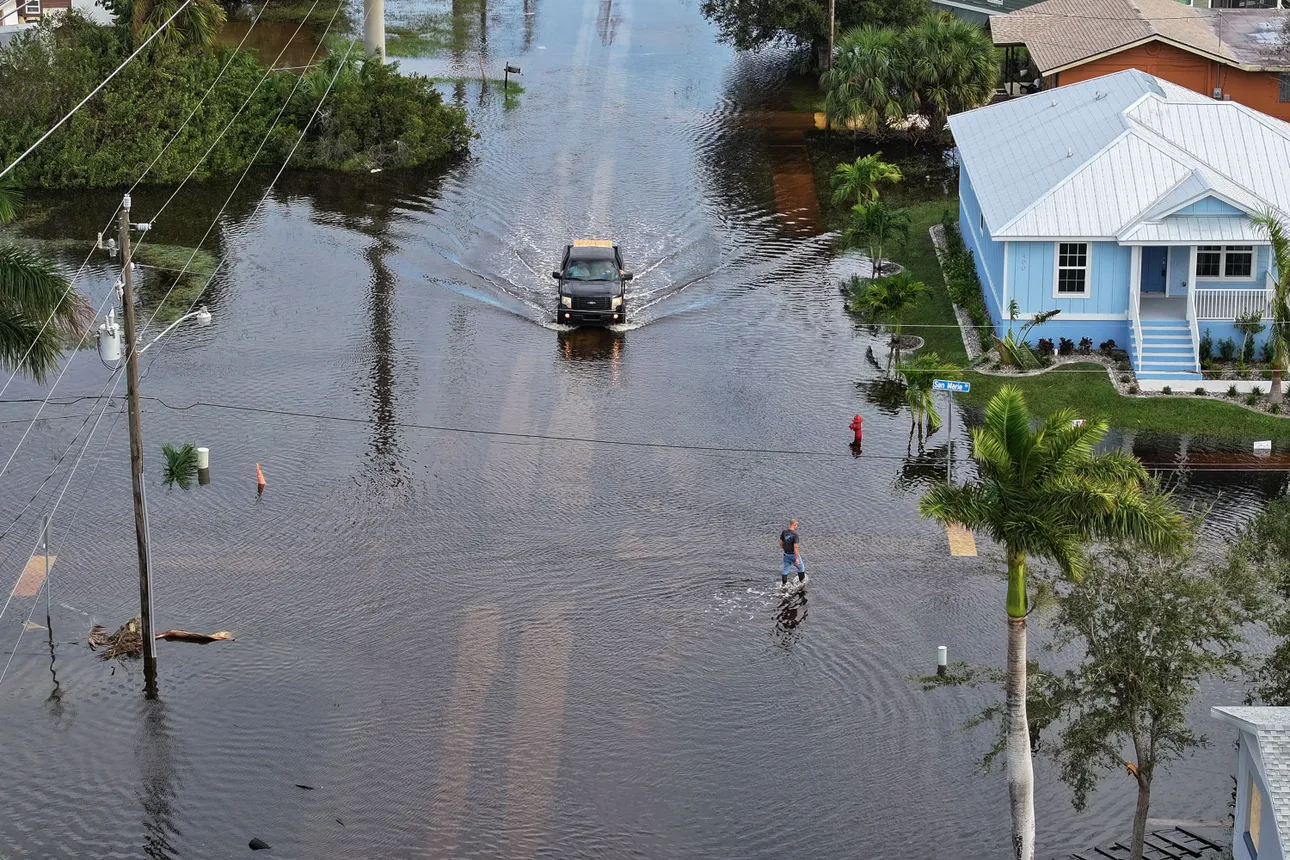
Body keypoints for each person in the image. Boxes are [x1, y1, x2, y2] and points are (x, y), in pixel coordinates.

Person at [779, 520, 805, 586]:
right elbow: (795, 547)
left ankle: (784, 584)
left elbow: (781, 543)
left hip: (786, 554)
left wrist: (785, 549)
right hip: (793, 554)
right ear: (794, 525)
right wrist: (797, 558)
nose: (797, 527)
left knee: (785, 569)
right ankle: (802, 583)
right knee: (801, 568)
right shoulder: (795, 534)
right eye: (797, 525)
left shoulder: (784, 532)